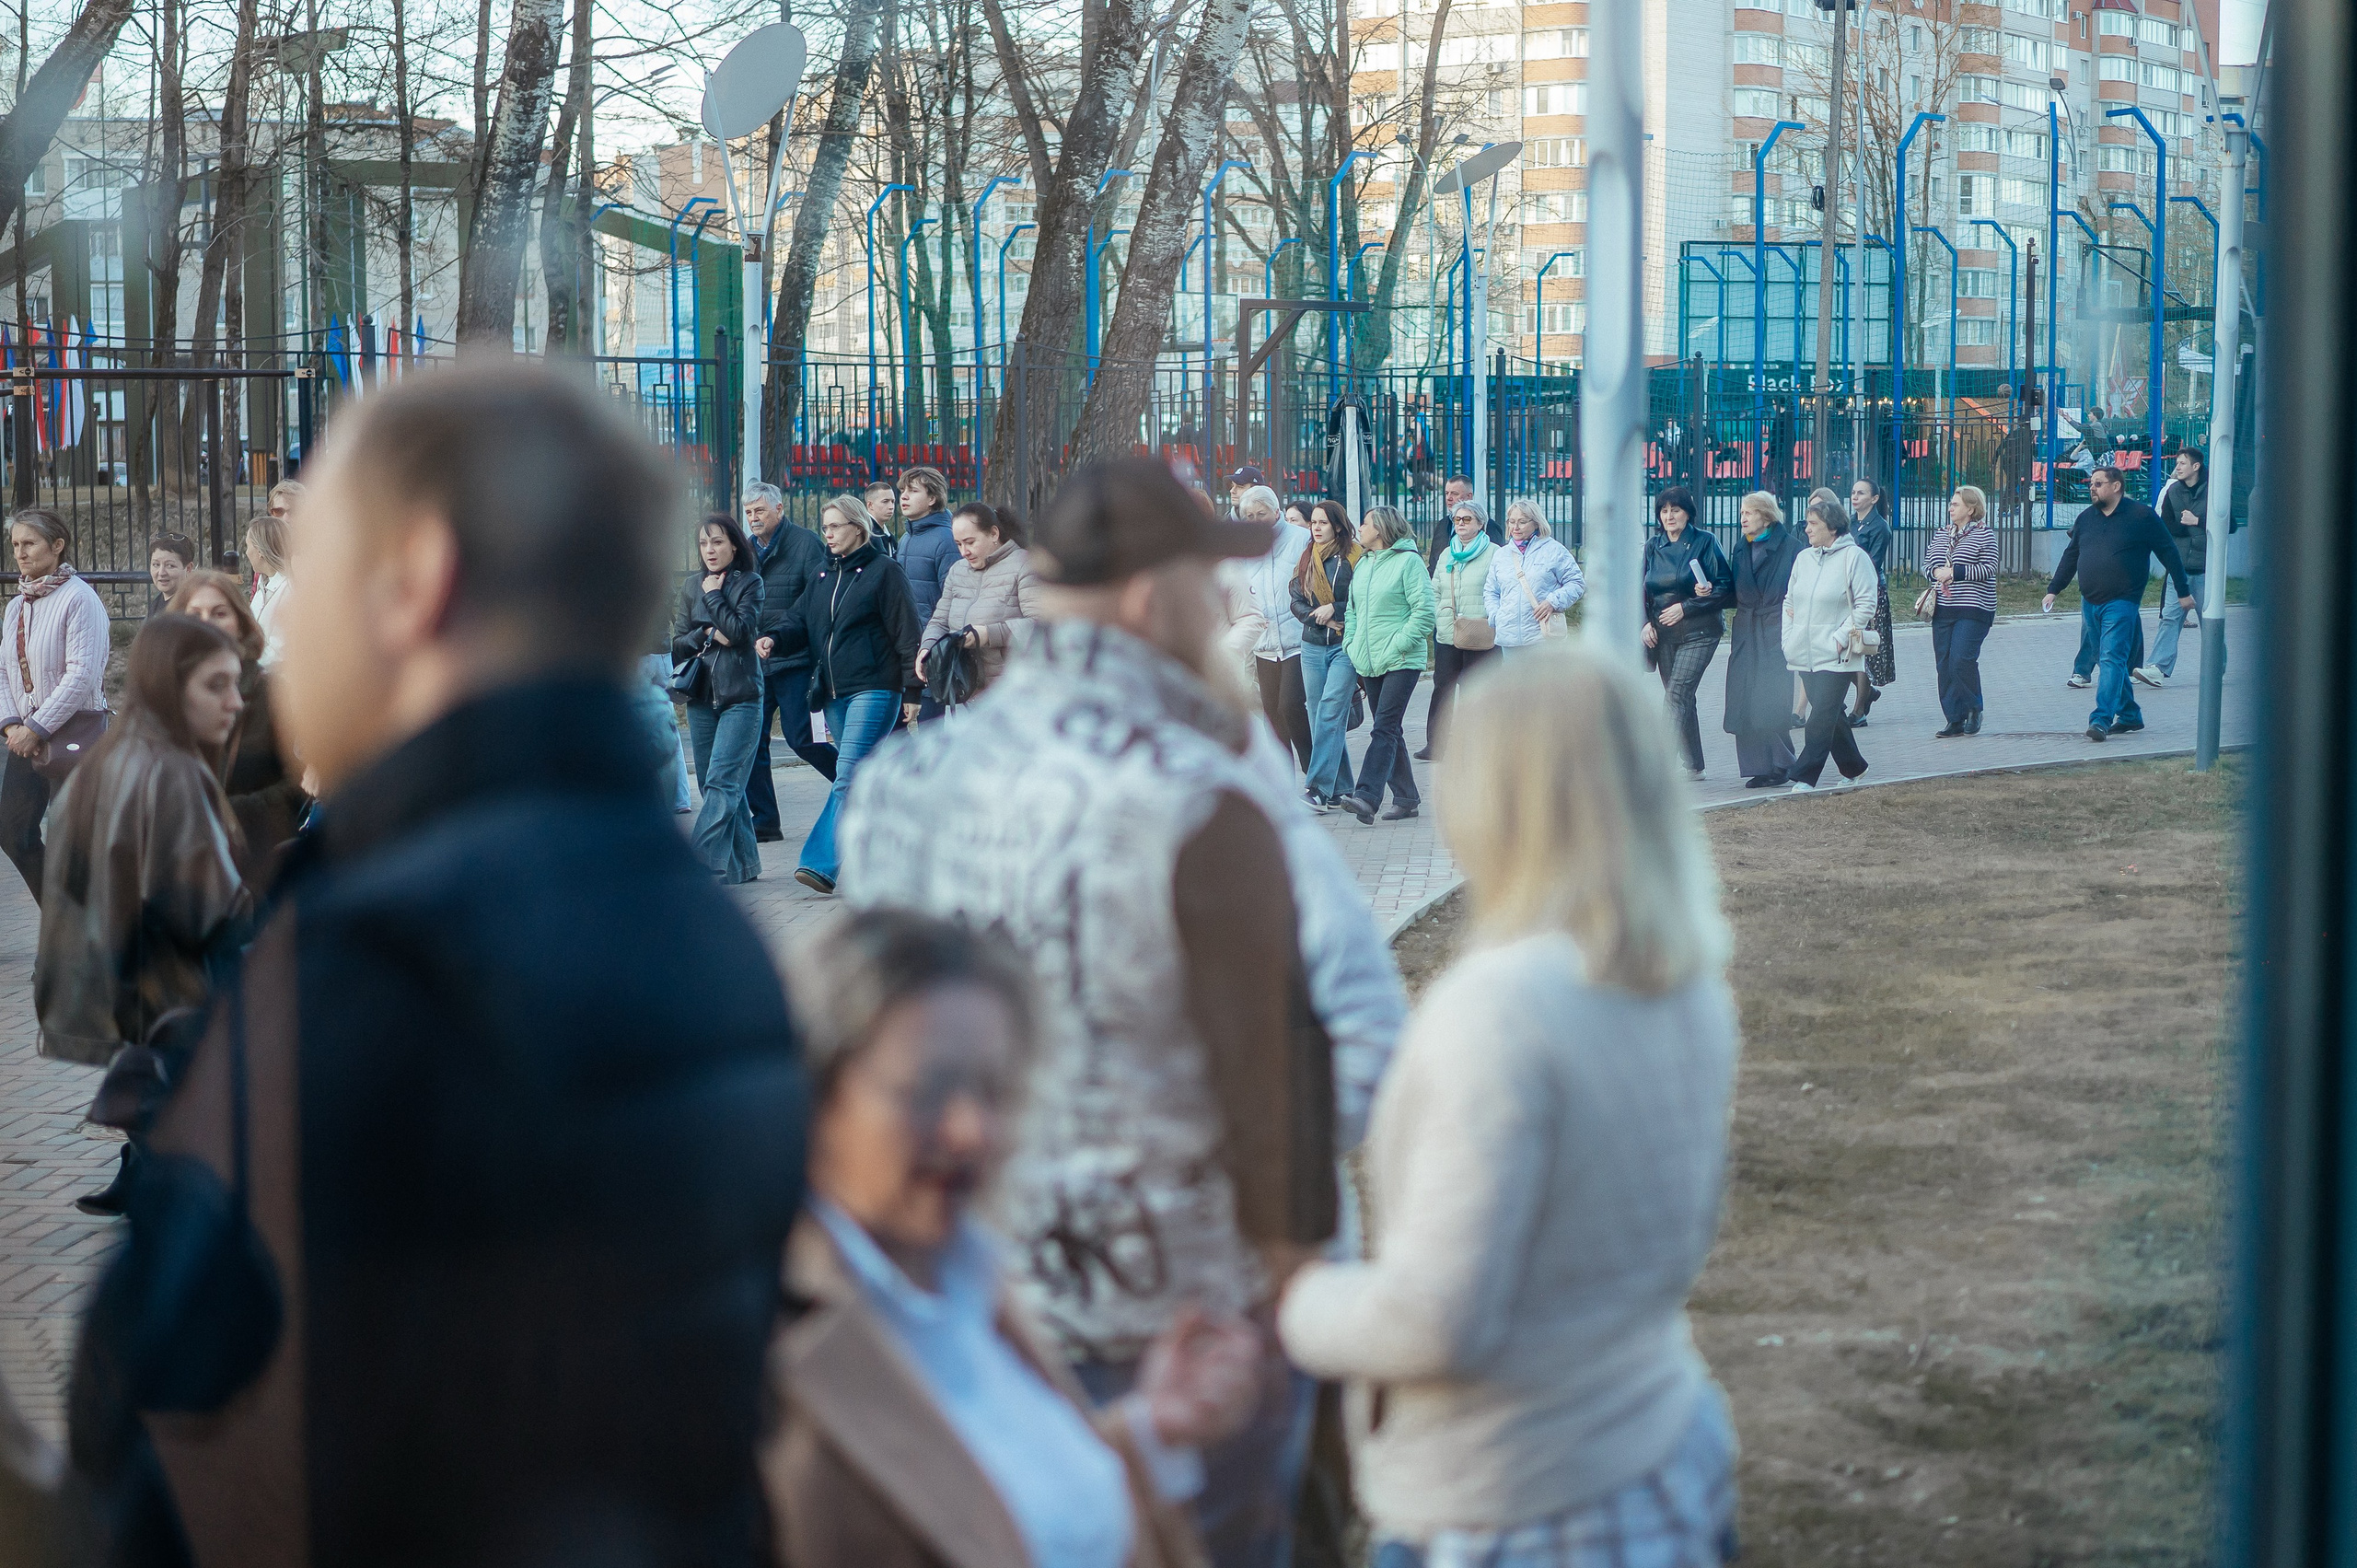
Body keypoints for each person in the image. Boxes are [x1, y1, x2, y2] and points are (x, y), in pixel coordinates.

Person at [72, 362, 808, 1568]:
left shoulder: (390, 957)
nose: (284, 629)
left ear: (413, 581)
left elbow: (165, 1442)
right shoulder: (697, 922)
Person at [839, 456, 1341, 1568]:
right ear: (1148, 596)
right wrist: (1300, 1296)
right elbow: (1275, 1093)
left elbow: (857, 1050)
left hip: (975, 1302)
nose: (1219, 608)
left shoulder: (901, 784)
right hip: (1180, 1326)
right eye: (1203, 583)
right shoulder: (1197, 797)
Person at [1277, 645, 1740, 1568]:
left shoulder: (1500, 1012)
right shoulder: (1681, 975)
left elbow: (1434, 1319)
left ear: (1501, 794)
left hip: (1520, 1497)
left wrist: (1290, 1298)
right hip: (1660, 1445)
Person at [762, 908, 1261, 1568]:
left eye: (993, 1090)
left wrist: (1151, 1427)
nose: (974, 1128)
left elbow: (1003, 1503)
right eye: (931, 1088)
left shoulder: (968, 1276)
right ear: (816, 1092)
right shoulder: (762, 1352)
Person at [35, 614, 250, 1215]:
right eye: (216, 685)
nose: (235, 701)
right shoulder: (172, 770)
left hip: (128, 995)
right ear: (167, 684)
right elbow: (212, 912)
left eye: (237, 683)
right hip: (177, 1001)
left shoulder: (112, 757)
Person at [772, 494, 922, 894]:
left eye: (835, 526)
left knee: (848, 774)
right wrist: (772, 638)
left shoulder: (884, 572)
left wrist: (913, 690)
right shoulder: (823, 575)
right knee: (865, 779)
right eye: (825, 527)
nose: (828, 534)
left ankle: (819, 863)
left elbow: (908, 633)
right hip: (833, 692)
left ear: (858, 527)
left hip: (875, 687)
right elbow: (798, 620)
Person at [168, 570, 312, 878]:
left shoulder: (272, 694)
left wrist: (229, 812)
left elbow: (301, 783)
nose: (207, 623)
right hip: (180, 870)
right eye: (195, 613)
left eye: (219, 613)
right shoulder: (161, 694)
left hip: (254, 866)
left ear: (240, 623)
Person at [0, 508, 110, 904]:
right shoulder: (18, 605)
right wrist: (13, 726)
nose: (20, 553)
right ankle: (64, 923)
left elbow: (82, 675)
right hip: (24, 737)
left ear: (57, 546)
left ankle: (81, 936)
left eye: (29, 543)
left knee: (73, 844)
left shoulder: (80, 599)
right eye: (15, 545)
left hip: (72, 732)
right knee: (13, 831)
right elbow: (3, 669)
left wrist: (37, 728)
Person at [2044, 465, 2195, 743]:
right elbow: (2071, 555)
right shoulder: (2086, 518)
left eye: (2099, 483)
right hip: (2090, 601)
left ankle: (2100, 720)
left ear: (2116, 487)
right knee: (2108, 660)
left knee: (2112, 658)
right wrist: (2054, 589)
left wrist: (2183, 591)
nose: (2092, 487)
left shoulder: (2141, 516)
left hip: (2123, 602)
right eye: (2091, 483)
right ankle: (2129, 715)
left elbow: (2169, 552)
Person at [673, 511, 767, 884]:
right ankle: (744, 866)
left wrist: (714, 598)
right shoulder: (690, 585)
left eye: (716, 541)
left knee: (722, 784)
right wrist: (708, 633)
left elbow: (741, 632)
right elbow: (679, 645)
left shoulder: (751, 583)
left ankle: (696, 868)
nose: (709, 550)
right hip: (700, 699)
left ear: (733, 544)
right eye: (702, 543)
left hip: (741, 697)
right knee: (719, 785)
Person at [743, 482, 840, 844]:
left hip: (796, 660)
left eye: (760, 511)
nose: (753, 518)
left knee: (804, 739)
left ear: (779, 510)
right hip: (755, 662)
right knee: (752, 743)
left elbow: (816, 600)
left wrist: (790, 637)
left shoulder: (806, 544)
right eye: (749, 512)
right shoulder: (746, 550)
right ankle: (765, 820)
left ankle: (858, 792)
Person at [1341, 505, 1434, 826]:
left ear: (1380, 529)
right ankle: (1407, 798)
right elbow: (1352, 612)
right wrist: (1351, 645)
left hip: (1401, 660)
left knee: (1383, 728)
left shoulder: (1409, 562)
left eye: (1365, 523)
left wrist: (1395, 645)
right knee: (1389, 729)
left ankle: (1366, 796)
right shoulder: (1364, 563)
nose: (1360, 528)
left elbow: (1424, 613)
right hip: (1368, 660)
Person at [1782, 494, 1878, 792]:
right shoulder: (1803, 558)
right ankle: (1855, 767)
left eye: (1813, 523)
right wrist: (1789, 638)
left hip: (1839, 653)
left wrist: (1840, 636)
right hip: (1803, 651)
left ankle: (1804, 775)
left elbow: (1866, 603)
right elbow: (1789, 602)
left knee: (1820, 715)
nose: (1807, 529)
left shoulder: (1854, 558)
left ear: (1832, 527)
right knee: (1832, 715)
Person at [1641, 484, 1735, 779]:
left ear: (1688, 513)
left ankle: (1658, 767)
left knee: (1676, 695)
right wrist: (1644, 623)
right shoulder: (1653, 546)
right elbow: (1640, 591)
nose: (1669, 516)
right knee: (1680, 696)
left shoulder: (1705, 542)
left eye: (1675, 510)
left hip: (1699, 631)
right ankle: (1694, 765)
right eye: (1664, 510)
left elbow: (1727, 590)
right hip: (1663, 633)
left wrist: (1690, 604)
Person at [1227, 483, 1314, 773]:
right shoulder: (1243, 545)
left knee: (1291, 706)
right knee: (1272, 715)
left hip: (1297, 638)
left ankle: (1315, 771)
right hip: (1264, 643)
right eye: (1248, 516)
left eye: (1260, 514)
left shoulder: (1301, 539)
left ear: (1276, 511)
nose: (1254, 521)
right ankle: (1284, 778)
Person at [919, 501, 1042, 702]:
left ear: (994, 534)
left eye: (970, 542)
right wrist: (927, 647)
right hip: (962, 689)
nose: (963, 552)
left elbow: (1040, 625)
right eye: (958, 544)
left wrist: (988, 634)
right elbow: (939, 621)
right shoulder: (957, 570)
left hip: (1012, 692)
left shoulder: (1025, 565)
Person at [1724, 492, 1802, 789]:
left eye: (1750, 512)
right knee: (1743, 699)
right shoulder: (1740, 548)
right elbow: (1734, 588)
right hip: (1746, 629)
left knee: (1770, 698)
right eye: (1742, 512)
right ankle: (1757, 766)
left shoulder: (1791, 547)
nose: (1743, 518)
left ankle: (1782, 763)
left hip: (1774, 628)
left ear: (1766, 515)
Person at [1288, 498, 1358, 811]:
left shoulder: (1356, 557)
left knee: (1331, 710)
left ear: (1338, 526)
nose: (1316, 528)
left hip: (1344, 645)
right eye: (1313, 523)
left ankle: (1316, 788)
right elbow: (1295, 599)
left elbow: (1364, 599)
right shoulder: (1307, 557)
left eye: (1322, 523)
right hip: (1313, 645)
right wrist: (1319, 615)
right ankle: (1341, 788)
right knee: (1318, 716)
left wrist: (1337, 609)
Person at [1421, 500, 1497, 763]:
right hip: (1448, 632)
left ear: (1480, 524)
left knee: (1476, 689)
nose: (1461, 524)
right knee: (1442, 687)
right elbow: (1434, 589)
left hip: (1480, 632)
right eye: (1457, 520)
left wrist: (1490, 616)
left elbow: (1499, 590)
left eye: (1467, 520)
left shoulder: (1495, 553)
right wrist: (1439, 616)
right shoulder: (1447, 554)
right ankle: (1436, 744)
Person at [1922, 484, 1999, 738]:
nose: (1950, 508)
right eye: (1951, 504)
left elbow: (1989, 568)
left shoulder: (1984, 534)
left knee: (1961, 660)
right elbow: (1928, 563)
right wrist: (1936, 572)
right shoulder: (1942, 534)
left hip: (1974, 608)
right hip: (1943, 608)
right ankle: (1954, 718)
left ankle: (1974, 708)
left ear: (1971, 508)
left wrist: (1954, 573)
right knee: (1944, 664)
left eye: (1956, 504)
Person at [2144, 447, 2211, 685]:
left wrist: (2198, 521)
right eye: (2177, 462)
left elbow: (2230, 522)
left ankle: (2216, 665)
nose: (2178, 467)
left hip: (2207, 569)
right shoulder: (2173, 491)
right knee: (2170, 618)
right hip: (2180, 569)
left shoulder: (2213, 489)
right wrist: (2184, 528)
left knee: (2210, 621)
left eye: (2182, 463)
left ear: (2196, 467)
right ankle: (2157, 667)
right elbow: (2165, 525)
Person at [1481, 501, 1585, 653]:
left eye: (1522, 522)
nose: (1515, 527)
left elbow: (1576, 583)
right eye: (1512, 522)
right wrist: (1496, 616)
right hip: (1509, 639)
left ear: (1536, 523)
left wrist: (1553, 601)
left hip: (1543, 637)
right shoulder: (1501, 555)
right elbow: (1491, 591)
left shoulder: (1554, 550)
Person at [1847, 477, 1898, 723]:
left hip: (1869, 593)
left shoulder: (1879, 527)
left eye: (1861, 493)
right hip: (1846, 592)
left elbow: (1871, 564)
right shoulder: (1849, 523)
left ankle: (1859, 710)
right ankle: (1868, 692)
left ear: (1874, 499)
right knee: (1845, 647)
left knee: (1863, 648)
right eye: (1853, 492)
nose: (1855, 497)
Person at [897, 467, 958, 626]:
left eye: (913, 491)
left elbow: (954, 596)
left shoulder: (947, 539)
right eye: (902, 491)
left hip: (933, 637)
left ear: (932, 499)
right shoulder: (905, 538)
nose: (904, 496)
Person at [243, 511, 293, 668]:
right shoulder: (262, 586)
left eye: (247, 546)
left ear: (259, 551)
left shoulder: (290, 590)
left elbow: (280, 650)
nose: (245, 553)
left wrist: (246, 665)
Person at [147, 532, 196, 618]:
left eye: (170, 566)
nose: (161, 573)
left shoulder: (191, 608)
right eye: (156, 565)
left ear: (188, 568)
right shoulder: (157, 603)